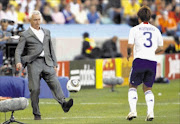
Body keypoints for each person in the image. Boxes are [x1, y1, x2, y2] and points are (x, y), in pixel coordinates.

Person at [15, 10, 73, 120]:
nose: (37, 22)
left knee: (55, 83)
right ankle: (36, 114)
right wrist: (18, 62)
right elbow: (18, 51)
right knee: (35, 89)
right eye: (35, 20)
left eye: (38, 19)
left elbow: (50, 48)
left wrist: (55, 63)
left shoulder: (47, 31)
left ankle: (64, 104)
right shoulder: (25, 35)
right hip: (33, 63)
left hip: (47, 62)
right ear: (30, 20)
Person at [126, 6, 163, 121]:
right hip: (152, 62)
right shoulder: (156, 30)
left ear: (138, 18)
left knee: (133, 86)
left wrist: (128, 54)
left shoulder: (134, 29)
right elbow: (161, 47)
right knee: (148, 88)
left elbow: (129, 46)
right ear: (150, 17)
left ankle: (133, 111)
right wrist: (152, 51)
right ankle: (150, 112)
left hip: (139, 60)